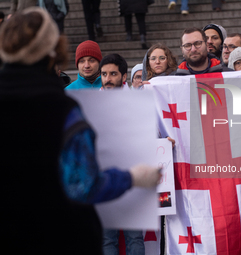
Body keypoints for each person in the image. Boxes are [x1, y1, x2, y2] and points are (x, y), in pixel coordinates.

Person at [0, 7, 161, 254]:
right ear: (52, 49)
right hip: (60, 234)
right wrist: (132, 177)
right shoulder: (61, 108)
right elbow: (83, 185)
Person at [98, 53, 146, 255]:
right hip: (103, 177)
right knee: (107, 238)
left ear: (123, 77)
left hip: (132, 177)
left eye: (113, 74)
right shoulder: (92, 102)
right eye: (104, 74)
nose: (107, 79)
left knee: (134, 236)